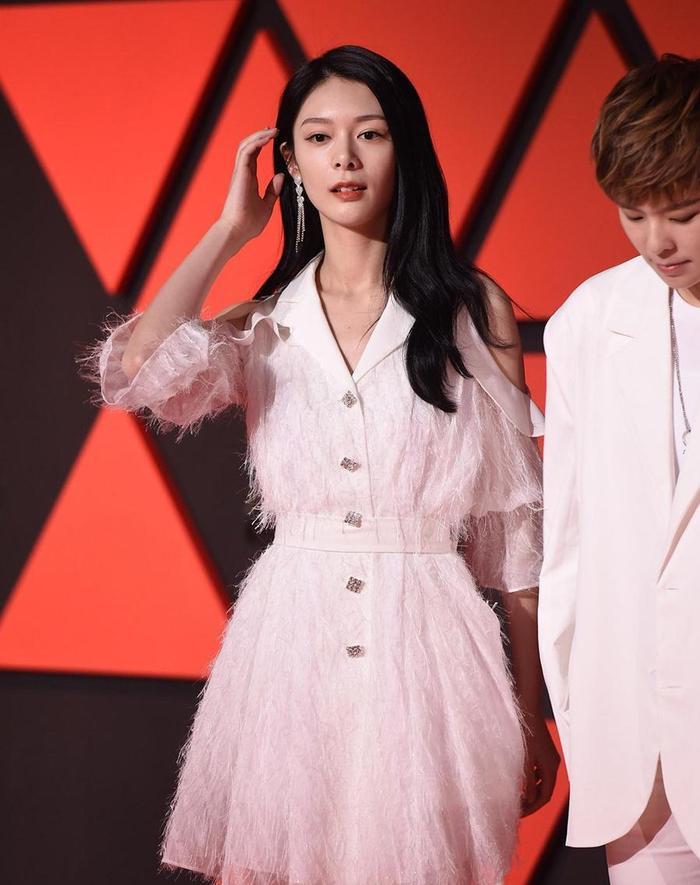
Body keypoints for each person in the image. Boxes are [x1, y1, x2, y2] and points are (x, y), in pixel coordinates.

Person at [78, 45, 558, 885]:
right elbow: (135, 374)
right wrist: (229, 232)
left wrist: (531, 710)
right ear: (291, 164)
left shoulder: (470, 309)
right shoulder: (265, 320)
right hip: (289, 641)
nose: (345, 157)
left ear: (404, 149)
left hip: (431, 644)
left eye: (369, 134)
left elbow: (517, 530)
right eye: (319, 137)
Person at [538, 53, 700, 884]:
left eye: (686, 213)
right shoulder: (588, 323)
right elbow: (566, 545)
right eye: (633, 214)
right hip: (640, 754)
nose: (656, 242)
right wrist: (584, 719)